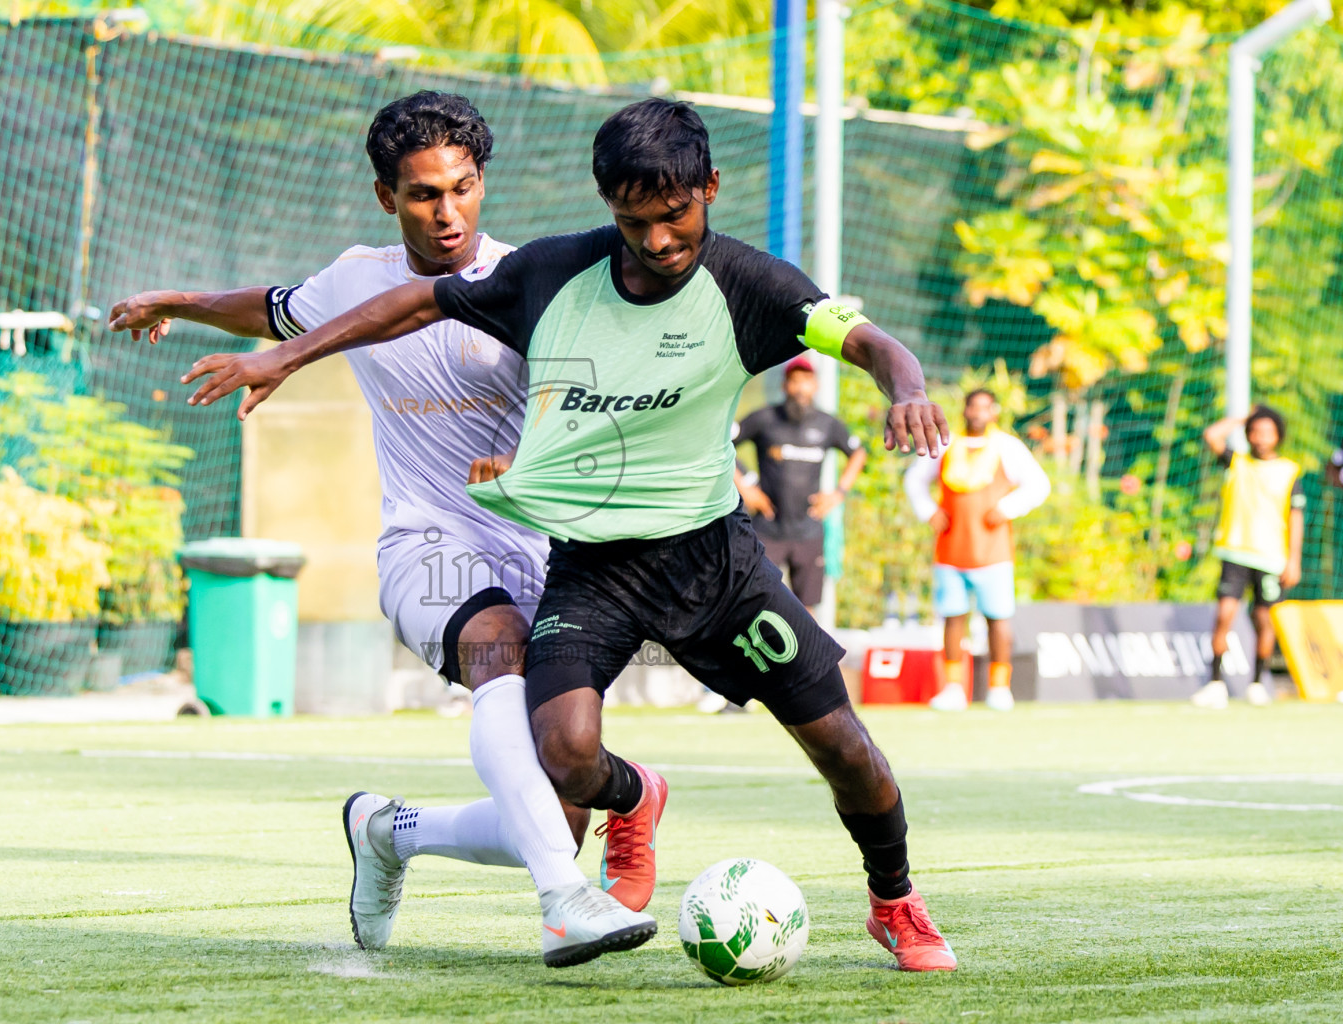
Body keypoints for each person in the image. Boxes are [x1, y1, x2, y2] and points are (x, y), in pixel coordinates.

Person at [180, 98, 960, 972]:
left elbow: (870, 341)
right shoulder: (552, 276)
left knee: (842, 747)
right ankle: (627, 804)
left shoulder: (751, 283)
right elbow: (413, 304)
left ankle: (895, 901)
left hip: (716, 562)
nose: (660, 240)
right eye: (635, 222)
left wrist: (907, 388)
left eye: (677, 216)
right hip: (590, 570)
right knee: (563, 760)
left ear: (709, 188)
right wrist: (282, 355)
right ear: (607, 207)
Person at [107, 91, 658, 969]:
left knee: (552, 814)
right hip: (424, 545)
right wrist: (179, 300)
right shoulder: (357, 279)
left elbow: (588, 415)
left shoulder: (535, 282)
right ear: (384, 197)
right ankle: (563, 903)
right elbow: (273, 306)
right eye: (424, 195)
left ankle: (389, 831)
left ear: (484, 183)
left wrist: (530, 455)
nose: (448, 213)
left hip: (537, 555)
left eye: (464, 188)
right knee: (498, 653)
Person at [903, 388, 1050, 712]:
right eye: (973, 406)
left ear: (994, 412)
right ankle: (953, 688)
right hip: (951, 551)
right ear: (965, 410)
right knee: (953, 619)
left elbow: (1039, 485)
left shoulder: (1007, 447)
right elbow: (914, 481)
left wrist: (1009, 507)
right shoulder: (945, 445)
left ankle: (1000, 687)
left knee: (998, 619)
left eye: (985, 407)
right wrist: (929, 512)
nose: (978, 413)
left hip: (992, 553)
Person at [1191, 406, 1305, 709]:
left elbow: (1296, 518)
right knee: (1224, 616)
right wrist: (1244, 415)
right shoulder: (1237, 463)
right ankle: (1215, 683)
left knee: (1264, 620)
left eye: (1267, 431)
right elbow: (1212, 435)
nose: (1261, 437)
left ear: (1278, 435)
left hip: (1271, 558)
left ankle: (1257, 682)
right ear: (1248, 434)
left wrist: (1294, 560)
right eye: (1255, 431)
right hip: (1236, 552)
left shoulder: (1289, 471)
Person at [733, 354, 866, 610]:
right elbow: (721, 445)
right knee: (756, 605)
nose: (800, 388)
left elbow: (858, 454)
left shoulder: (828, 425)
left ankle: (806, 652)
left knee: (807, 613)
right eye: (794, 381)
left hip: (809, 530)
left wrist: (838, 493)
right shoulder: (764, 418)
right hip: (767, 530)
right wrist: (745, 487)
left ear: (815, 386)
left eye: (806, 381)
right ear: (785, 386)